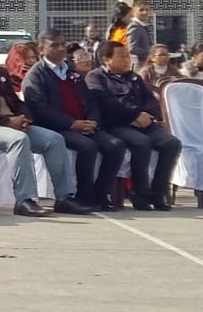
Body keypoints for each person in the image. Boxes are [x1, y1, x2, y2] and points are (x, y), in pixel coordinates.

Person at [0, 29, 85, 217]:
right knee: (19, 140)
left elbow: (16, 102)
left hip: (11, 124)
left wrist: (25, 118)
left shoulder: (0, 72)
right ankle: (25, 200)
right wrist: (7, 121)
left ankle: (64, 197)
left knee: (54, 140)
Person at [22, 30, 127, 211]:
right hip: (57, 127)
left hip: (83, 124)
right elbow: (40, 109)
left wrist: (93, 120)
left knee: (116, 145)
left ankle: (101, 194)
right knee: (87, 146)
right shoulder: (36, 75)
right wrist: (71, 124)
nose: (60, 49)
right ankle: (84, 196)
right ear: (41, 49)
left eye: (63, 44)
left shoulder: (71, 71)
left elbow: (90, 101)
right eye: (54, 45)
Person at [86, 41, 182, 210]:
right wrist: (134, 115)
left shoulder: (133, 77)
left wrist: (146, 115)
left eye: (127, 56)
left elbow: (150, 100)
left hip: (143, 122)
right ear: (107, 59)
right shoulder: (95, 77)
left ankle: (158, 194)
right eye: (121, 56)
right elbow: (107, 103)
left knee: (172, 143)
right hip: (116, 124)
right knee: (141, 142)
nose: (126, 60)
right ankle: (140, 194)